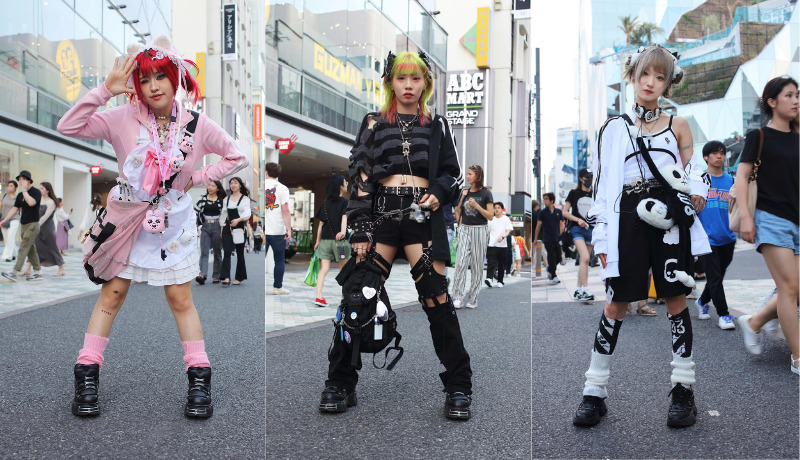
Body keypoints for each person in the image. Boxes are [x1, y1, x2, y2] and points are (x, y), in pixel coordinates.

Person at [55, 36, 248, 418]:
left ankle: (198, 377)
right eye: (145, 79)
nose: (153, 86)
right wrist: (104, 91)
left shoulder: (195, 122)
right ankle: (87, 373)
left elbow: (236, 155)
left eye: (161, 76)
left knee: (180, 299)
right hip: (128, 217)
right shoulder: (121, 116)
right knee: (111, 294)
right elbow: (68, 126)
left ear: (175, 78)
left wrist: (194, 177)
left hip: (172, 220)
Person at [319, 50, 473, 420]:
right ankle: (340, 383)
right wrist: (359, 227)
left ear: (426, 83)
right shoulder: (374, 122)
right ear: (390, 82)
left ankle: (458, 386)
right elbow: (360, 173)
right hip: (382, 216)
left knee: (437, 301)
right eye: (402, 78)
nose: (409, 86)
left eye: (416, 78)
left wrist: (439, 189)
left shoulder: (437, 124)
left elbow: (453, 174)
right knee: (358, 297)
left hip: (422, 217)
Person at [573, 45, 711, 428]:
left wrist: (696, 194)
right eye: (645, 74)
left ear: (668, 82)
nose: (651, 82)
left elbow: (693, 170)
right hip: (627, 220)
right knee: (616, 302)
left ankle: (683, 391)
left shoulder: (677, 124)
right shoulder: (613, 127)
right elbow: (602, 186)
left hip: (669, 221)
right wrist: (601, 239)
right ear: (633, 76)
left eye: (660, 76)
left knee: (675, 299)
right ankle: (593, 392)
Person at [735, 76, 799, 375]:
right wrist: (747, 218)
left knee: (795, 288)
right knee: (788, 287)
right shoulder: (758, 136)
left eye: (797, 94)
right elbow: (742, 177)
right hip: (771, 218)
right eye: (789, 95)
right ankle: (798, 358)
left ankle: (755, 321)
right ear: (772, 102)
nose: (796, 100)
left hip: (798, 218)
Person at [694, 140, 737, 329]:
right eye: (715, 153)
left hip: (728, 237)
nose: (719, 156)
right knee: (714, 278)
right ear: (706, 157)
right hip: (707, 238)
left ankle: (702, 301)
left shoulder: (730, 181)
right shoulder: (700, 180)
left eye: (722, 153)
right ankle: (724, 315)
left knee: (717, 276)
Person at [452, 165, 493, 308]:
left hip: (480, 230)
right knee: (460, 263)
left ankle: (473, 298)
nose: (467, 176)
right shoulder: (465, 192)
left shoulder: (486, 193)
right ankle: (458, 297)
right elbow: (457, 211)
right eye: (467, 174)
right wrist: (462, 197)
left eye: (470, 174)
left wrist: (476, 205)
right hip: (465, 229)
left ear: (478, 176)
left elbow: (490, 216)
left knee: (477, 265)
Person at [312, 174, 350, 307]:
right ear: (340, 186)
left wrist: (317, 241)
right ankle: (345, 298)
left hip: (325, 242)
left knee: (324, 269)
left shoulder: (324, 203)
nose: (347, 184)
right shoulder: (345, 202)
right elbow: (344, 218)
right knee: (344, 269)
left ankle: (319, 297)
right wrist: (343, 232)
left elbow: (321, 224)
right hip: (340, 242)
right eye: (345, 182)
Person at [0, 171, 43, 281]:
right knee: (31, 250)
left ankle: (14, 271)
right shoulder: (19, 195)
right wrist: (5, 219)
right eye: (19, 179)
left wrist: (24, 190)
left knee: (23, 247)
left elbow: (31, 202)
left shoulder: (36, 192)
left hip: (33, 224)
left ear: (28, 180)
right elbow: (14, 209)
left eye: (22, 179)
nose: (20, 181)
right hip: (23, 225)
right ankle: (38, 273)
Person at [563, 168, 597, 300]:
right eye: (587, 177)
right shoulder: (574, 193)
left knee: (584, 260)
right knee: (586, 258)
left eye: (591, 177)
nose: (589, 180)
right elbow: (565, 212)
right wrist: (578, 220)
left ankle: (578, 289)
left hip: (591, 229)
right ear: (581, 178)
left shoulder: (594, 194)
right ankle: (586, 290)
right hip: (577, 228)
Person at [19, 182, 65, 277]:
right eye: (39, 188)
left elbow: (45, 217)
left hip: (47, 229)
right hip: (37, 228)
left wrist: (35, 225)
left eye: (42, 188)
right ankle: (27, 269)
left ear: (47, 190)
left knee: (52, 248)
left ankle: (61, 269)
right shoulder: (39, 200)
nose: (40, 190)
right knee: (33, 248)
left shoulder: (51, 202)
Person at [264, 162, 292, 295]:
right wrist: (289, 230)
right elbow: (285, 210)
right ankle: (277, 287)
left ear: (266, 172)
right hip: (277, 230)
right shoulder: (283, 188)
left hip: (263, 231)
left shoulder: (261, 186)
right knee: (279, 260)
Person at [220, 177, 250, 286]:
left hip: (240, 227)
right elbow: (223, 215)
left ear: (240, 185)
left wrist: (238, 220)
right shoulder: (226, 199)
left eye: (235, 183)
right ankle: (226, 277)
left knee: (240, 253)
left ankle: (239, 277)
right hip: (228, 227)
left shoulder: (245, 199)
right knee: (227, 251)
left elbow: (247, 213)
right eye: (231, 183)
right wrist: (222, 227)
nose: (233, 185)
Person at [194, 180, 225, 284]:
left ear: (218, 188)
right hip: (205, 226)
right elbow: (195, 212)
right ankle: (202, 274)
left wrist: (222, 229)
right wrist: (196, 226)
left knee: (217, 252)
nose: (210, 187)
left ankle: (216, 275)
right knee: (204, 251)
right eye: (209, 185)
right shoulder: (201, 199)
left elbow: (224, 215)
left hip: (217, 225)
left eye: (213, 186)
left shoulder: (221, 201)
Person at [533, 192, 564, 284]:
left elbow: (561, 224)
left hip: (557, 238)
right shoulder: (542, 212)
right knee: (552, 257)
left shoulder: (558, 212)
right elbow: (538, 226)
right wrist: (535, 238)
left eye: (546, 199)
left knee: (559, 257)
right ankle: (554, 275)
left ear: (552, 201)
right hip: (547, 238)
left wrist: (561, 235)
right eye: (544, 199)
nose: (545, 201)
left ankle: (550, 268)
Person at [485, 202, 513, 288]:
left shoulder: (506, 219)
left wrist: (503, 237)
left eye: (498, 208)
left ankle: (500, 281)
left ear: (502, 209)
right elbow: (489, 232)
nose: (496, 209)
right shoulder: (491, 219)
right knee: (491, 262)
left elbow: (508, 231)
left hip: (502, 245)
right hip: (492, 244)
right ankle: (489, 278)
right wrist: (487, 241)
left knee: (501, 264)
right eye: (495, 208)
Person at [1, 180, 20, 262]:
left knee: (10, 236)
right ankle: (14, 253)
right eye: (9, 186)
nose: (9, 187)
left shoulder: (18, 197)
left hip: (15, 219)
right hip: (4, 220)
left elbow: (20, 210)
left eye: (12, 186)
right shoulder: (4, 196)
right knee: (7, 238)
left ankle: (7, 256)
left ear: (15, 188)